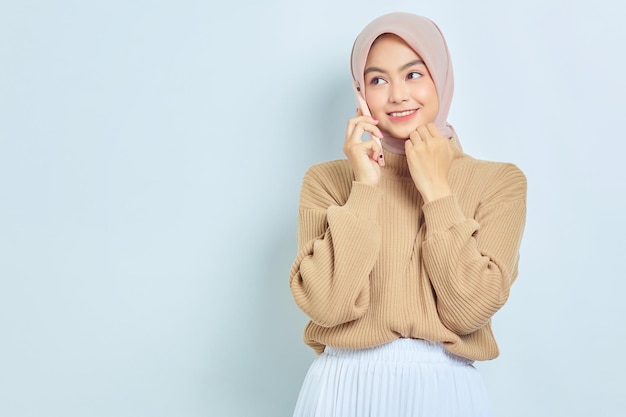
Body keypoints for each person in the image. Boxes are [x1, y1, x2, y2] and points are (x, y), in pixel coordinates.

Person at [289, 12, 527, 417]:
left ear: (441, 77)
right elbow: (326, 305)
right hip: (342, 390)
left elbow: (468, 309)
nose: (397, 95)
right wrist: (364, 187)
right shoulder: (327, 181)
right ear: (360, 91)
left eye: (414, 74)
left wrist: (436, 189)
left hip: (444, 391)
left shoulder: (497, 181)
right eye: (378, 80)